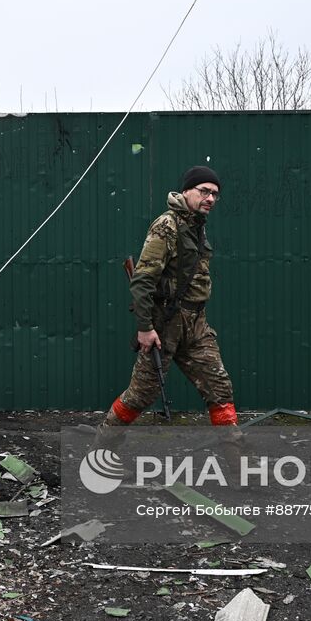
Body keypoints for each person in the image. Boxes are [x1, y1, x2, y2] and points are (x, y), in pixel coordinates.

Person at [102, 165, 237, 429]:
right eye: (204, 191)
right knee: (139, 396)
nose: (210, 199)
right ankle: (98, 456)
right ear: (187, 191)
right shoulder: (168, 225)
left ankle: (239, 468)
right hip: (166, 324)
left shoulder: (196, 226)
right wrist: (145, 328)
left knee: (220, 391)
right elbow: (142, 280)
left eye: (215, 194)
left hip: (196, 323)